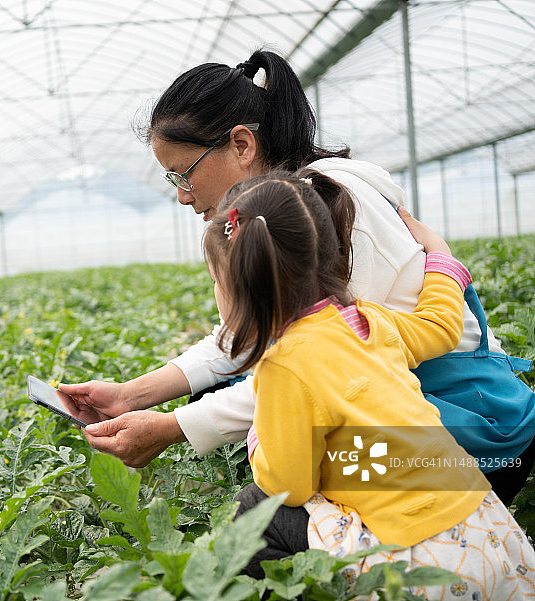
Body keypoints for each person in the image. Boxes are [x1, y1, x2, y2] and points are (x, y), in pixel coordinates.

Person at [58, 48, 535, 504]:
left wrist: (173, 427)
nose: (182, 196)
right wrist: (133, 395)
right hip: (424, 410)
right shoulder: (294, 208)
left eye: (183, 174)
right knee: (235, 400)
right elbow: (250, 338)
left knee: (275, 500)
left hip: (480, 436)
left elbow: (325, 375)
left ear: (242, 145)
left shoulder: (334, 206)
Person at [202, 170, 535, 598]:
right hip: (491, 536)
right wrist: (442, 260)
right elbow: (440, 326)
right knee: (355, 458)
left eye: (215, 279)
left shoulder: (283, 365)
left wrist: (258, 442)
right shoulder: (367, 321)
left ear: (241, 284)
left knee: (252, 513)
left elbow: (289, 485)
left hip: (421, 567)